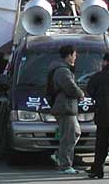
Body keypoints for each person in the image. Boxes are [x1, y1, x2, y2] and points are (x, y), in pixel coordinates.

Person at [48, 45, 84, 174]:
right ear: (69, 55)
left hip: (67, 107)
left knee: (75, 133)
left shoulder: (62, 69)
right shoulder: (63, 70)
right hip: (65, 107)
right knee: (68, 136)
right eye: (74, 54)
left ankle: (59, 155)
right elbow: (70, 87)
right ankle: (65, 165)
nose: (76, 57)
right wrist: (81, 94)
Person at [86, 53, 109, 179]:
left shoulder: (97, 77)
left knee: (101, 145)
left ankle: (98, 170)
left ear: (105, 62)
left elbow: (90, 90)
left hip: (103, 116)